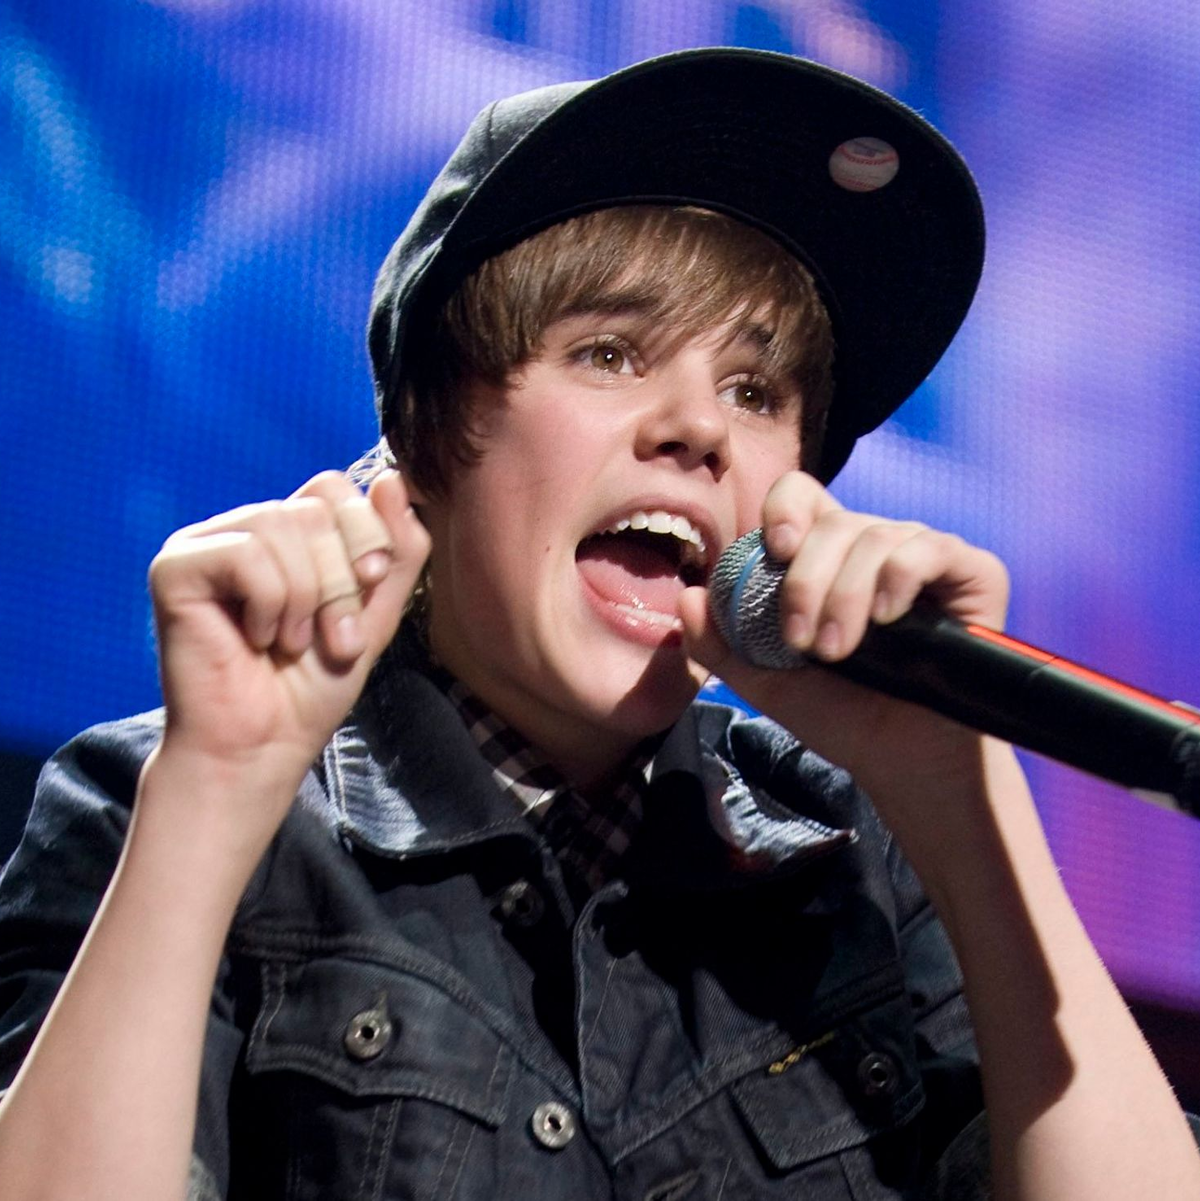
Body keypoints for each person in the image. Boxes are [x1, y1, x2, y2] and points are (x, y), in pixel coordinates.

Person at [0, 47, 1197, 1201]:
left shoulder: (859, 863)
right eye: (611, 352)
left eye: (755, 390)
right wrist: (213, 793)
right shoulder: (164, 805)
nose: (700, 429)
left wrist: (962, 792)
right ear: (425, 438)